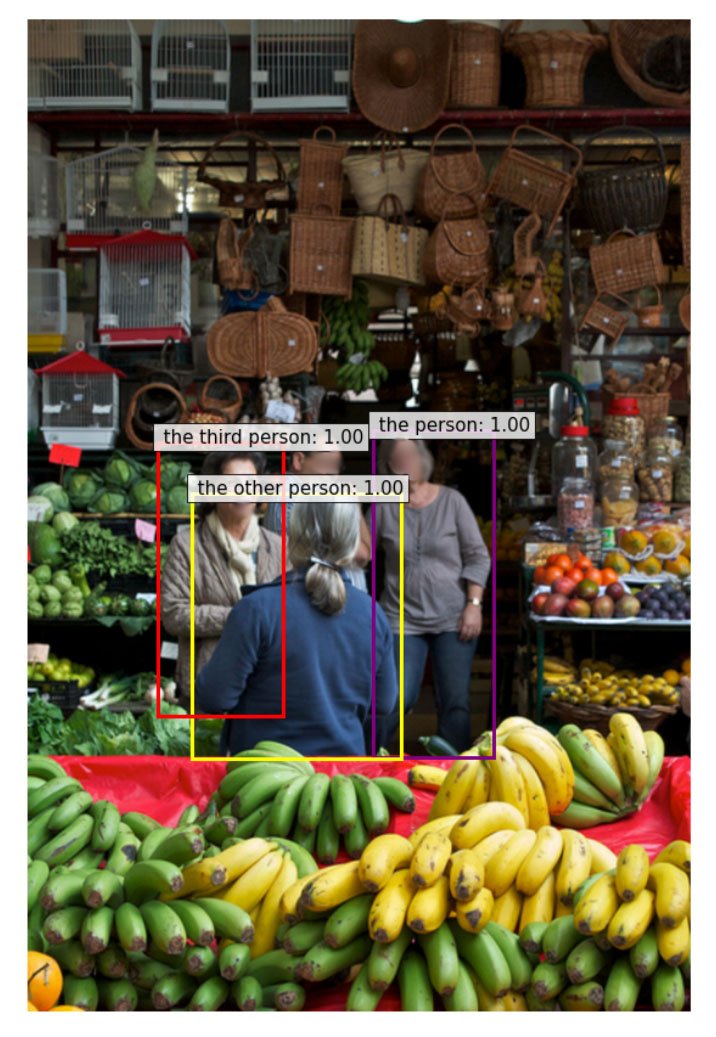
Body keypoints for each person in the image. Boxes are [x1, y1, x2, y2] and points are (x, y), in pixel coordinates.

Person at [196, 501, 398, 756]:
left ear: (291, 536)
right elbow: (384, 703)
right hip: (342, 780)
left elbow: (214, 698)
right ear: (351, 543)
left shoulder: (256, 609)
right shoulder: (372, 614)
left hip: (262, 781)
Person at [375, 438, 491, 752]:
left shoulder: (452, 501)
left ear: (423, 459)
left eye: (411, 454)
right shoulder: (383, 507)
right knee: (397, 696)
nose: (405, 461)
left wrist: (474, 604)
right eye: (397, 456)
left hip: (453, 617)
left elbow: (478, 556)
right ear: (388, 465)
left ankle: (454, 771)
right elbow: (361, 551)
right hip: (400, 616)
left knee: (454, 701)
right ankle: (377, 762)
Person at [161, 451, 283, 700]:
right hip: (208, 681)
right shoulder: (187, 545)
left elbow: (292, 614)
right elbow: (173, 614)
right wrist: (239, 617)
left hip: (268, 682)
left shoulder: (278, 547)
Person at [264, 450, 371, 590]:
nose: (334, 474)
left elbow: (367, 554)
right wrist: (352, 504)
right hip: (321, 600)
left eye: (337, 466)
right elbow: (362, 555)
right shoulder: (292, 493)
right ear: (298, 460)